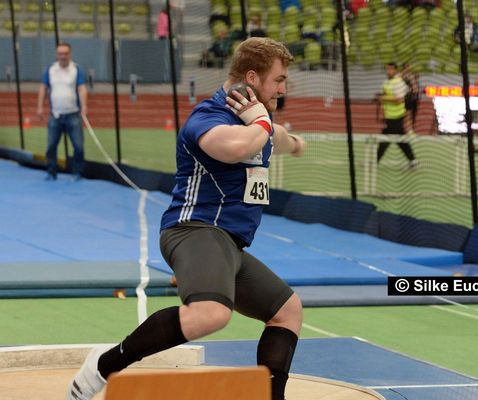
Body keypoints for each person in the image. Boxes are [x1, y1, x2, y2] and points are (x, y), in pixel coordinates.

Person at [67, 37, 306, 400]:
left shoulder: (259, 119)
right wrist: (261, 123)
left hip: (228, 244)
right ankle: (105, 365)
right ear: (253, 77)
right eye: (279, 80)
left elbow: (277, 137)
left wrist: (295, 143)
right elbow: (237, 147)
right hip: (194, 230)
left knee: (287, 311)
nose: (283, 89)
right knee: (211, 313)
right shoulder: (208, 117)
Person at [36, 42, 87, 181]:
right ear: (56, 54)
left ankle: (77, 173)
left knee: (78, 146)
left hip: (73, 115)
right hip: (55, 115)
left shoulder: (76, 69)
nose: (62, 56)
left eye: (65, 53)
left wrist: (84, 106)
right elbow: (43, 88)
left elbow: (81, 88)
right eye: (60, 53)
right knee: (51, 146)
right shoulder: (50, 70)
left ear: (69, 54)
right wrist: (40, 107)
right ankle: (51, 172)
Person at [376, 62, 417, 168]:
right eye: (387, 69)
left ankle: (375, 161)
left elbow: (399, 100)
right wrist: (380, 97)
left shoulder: (398, 83)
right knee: (401, 140)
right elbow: (385, 94)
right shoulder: (386, 82)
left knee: (385, 138)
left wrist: (383, 98)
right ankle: (413, 161)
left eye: (391, 69)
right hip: (389, 116)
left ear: (395, 70)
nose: (388, 71)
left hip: (397, 116)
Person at [401, 62, 419, 135]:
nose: (409, 68)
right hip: (403, 97)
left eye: (410, 66)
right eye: (408, 67)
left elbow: (415, 88)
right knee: (405, 115)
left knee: (410, 115)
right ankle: (405, 130)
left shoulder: (411, 76)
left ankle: (409, 130)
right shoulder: (401, 76)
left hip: (411, 98)